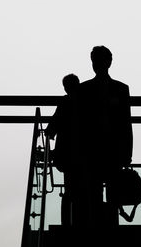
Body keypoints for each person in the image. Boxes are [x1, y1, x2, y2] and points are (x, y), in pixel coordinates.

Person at [76, 45, 133, 227]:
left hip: (95, 150)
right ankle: (108, 230)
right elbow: (126, 123)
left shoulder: (84, 89)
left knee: (96, 194)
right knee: (109, 194)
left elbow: (79, 124)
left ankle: (98, 230)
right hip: (109, 149)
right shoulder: (121, 89)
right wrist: (127, 151)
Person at [45, 73, 80, 226]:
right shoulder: (87, 102)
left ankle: (67, 223)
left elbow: (52, 127)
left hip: (67, 155)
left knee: (69, 190)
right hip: (85, 154)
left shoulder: (65, 103)